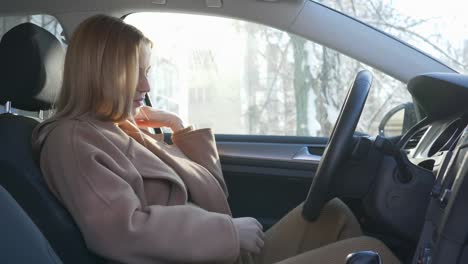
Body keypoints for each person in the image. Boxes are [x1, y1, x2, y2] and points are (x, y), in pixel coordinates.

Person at [32, 15, 400, 264]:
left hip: (218, 251)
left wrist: (178, 128)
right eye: (135, 75)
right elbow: (119, 231)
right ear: (101, 75)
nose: (146, 87)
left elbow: (212, 193)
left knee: (332, 213)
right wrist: (227, 232)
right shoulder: (74, 141)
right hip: (208, 253)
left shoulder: (120, 128)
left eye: (147, 73)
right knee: (371, 252)